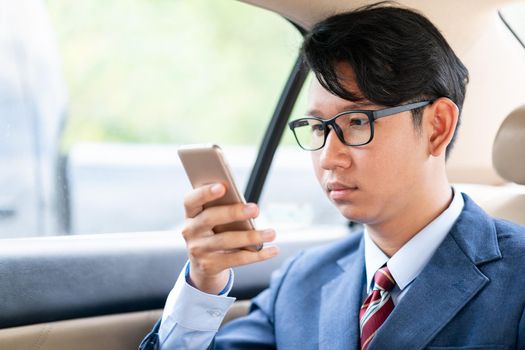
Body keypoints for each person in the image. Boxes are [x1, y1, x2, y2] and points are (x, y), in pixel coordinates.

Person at [141, 3, 525, 349]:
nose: (328, 158)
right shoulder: (302, 280)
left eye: (357, 122)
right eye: (318, 128)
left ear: (437, 126)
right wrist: (204, 283)